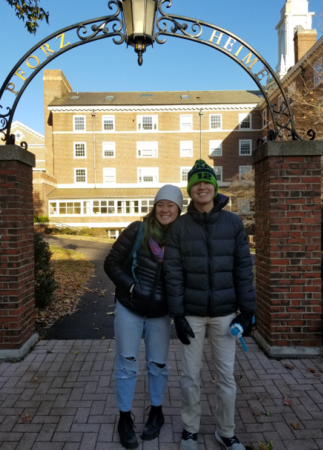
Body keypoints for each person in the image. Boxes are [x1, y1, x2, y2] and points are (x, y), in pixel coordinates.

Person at [163, 160, 255, 450]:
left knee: (225, 377)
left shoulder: (233, 223)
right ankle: (190, 430)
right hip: (191, 314)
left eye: (206, 182)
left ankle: (225, 432)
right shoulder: (179, 227)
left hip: (225, 315)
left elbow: (243, 268)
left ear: (214, 187)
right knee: (190, 376)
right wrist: (177, 315)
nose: (201, 187)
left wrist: (248, 310)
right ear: (190, 190)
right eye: (196, 183)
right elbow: (173, 273)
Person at [104, 185, 182, 449]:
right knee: (126, 365)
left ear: (179, 209)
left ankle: (156, 412)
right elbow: (111, 262)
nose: (165, 209)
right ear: (154, 206)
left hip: (161, 315)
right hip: (130, 309)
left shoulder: (182, 236)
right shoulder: (138, 230)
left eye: (171, 205)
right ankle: (124, 418)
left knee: (158, 365)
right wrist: (132, 286)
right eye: (161, 204)